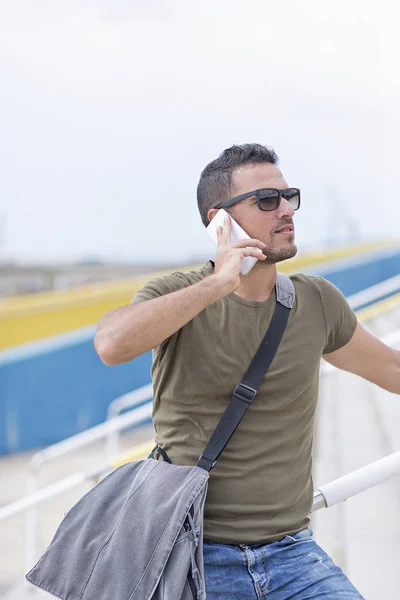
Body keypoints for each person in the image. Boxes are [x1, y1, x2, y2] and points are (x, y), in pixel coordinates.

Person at [94, 143, 399, 599]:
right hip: (194, 557)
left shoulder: (317, 302)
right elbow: (111, 345)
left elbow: (392, 368)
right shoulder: (178, 294)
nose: (286, 210)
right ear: (221, 219)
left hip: (294, 556)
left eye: (289, 196)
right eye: (266, 200)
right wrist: (220, 282)